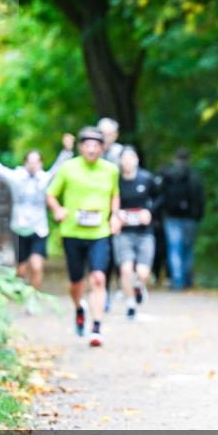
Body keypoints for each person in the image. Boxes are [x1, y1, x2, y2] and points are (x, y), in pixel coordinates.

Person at [46, 127, 121, 347]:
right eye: (87, 145)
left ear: (102, 148)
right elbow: (50, 194)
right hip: (72, 232)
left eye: (95, 145)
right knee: (75, 283)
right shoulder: (68, 168)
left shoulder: (110, 170)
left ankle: (96, 328)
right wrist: (58, 210)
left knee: (98, 278)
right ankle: (80, 307)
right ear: (80, 147)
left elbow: (115, 195)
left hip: (99, 232)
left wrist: (115, 216)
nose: (91, 149)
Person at [0, 134, 74, 294]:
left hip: (39, 229)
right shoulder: (15, 178)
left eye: (36, 162)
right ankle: (23, 293)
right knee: (21, 270)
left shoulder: (44, 179)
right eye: (30, 162)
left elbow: (58, 168)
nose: (33, 165)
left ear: (40, 164)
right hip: (19, 229)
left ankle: (34, 297)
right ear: (25, 163)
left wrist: (67, 150)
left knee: (37, 265)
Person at [115, 146, 159, 320]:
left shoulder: (147, 179)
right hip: (123, 232)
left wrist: (148, 212)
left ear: (136, 160)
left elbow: (160, 198)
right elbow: (109, 199)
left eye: (130, 158)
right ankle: (131, 304)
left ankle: (139, 285)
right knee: (126, 269)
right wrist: (117, 214)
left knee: (142, 272)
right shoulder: (115, 181)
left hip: (144, 232)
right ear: (119, 161)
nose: (127, 162)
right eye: (124, 158)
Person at [157, 149, 205, 290]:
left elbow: (161, 196)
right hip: (191, 219)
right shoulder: (194, 177)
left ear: (175, 158)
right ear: (189, 159)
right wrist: (198, 216)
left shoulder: (168, 175)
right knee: (187, 249)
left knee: (174, 249)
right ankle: (187, 280)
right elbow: (201, 199)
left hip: (171, 217)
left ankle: (177, 281)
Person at [98, 117, 125, 310]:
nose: (104, 138)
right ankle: (103, 291)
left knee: (120, 253)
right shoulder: (91, 152)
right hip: (98, 209)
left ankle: (123, 288)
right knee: (103, 253)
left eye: (108, 134)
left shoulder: (122, 154)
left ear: (115, 136)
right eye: (102, 133)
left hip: (119, 208)